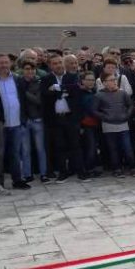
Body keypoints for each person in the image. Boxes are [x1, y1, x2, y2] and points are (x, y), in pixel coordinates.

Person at [41, 53, 88, 183]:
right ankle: (63, 172)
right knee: (59, 146)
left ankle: (81, 172)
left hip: (71, 117)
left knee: (76, 145)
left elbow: (76, 91)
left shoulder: (72, 77)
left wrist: (57, 89)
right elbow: (45, 94)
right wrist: (64, 92)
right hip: (55, 118)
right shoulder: (46, 79)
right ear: (50, 66)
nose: (58, 65)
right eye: (55, 63)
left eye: (60, 62)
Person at [0, 53, 30, 189]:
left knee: (15, 153)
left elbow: (23, 100)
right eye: (0, 63)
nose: (3, 65)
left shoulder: (17, 79)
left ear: (10, 64)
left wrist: (24, 118)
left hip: (16, 122)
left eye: (6, 62)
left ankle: (17, 180)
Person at [93, 73, 135, 178]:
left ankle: (132, 167)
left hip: (123, 124)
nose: (114, 81)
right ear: (104, 82)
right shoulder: (99, 95)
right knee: (113, 149)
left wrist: (127, 115)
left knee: (127, 147)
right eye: (111, 80)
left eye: (114, 79)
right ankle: (117, 168)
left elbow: (130, 105)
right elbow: (94, 110)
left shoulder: (123, 93)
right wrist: (105, 117)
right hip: (108, 126)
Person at [19, 60, 49, 184]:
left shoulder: (39, 82)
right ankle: (27, 174)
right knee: (25, 150)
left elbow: (38, 100)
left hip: (37, 119)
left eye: (32, 69)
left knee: (40, 148)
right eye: (27, 69)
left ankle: (44, 173)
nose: (29, 71)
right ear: (22, 70)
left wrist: (24, 93)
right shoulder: (18, 82)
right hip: (24, 120)